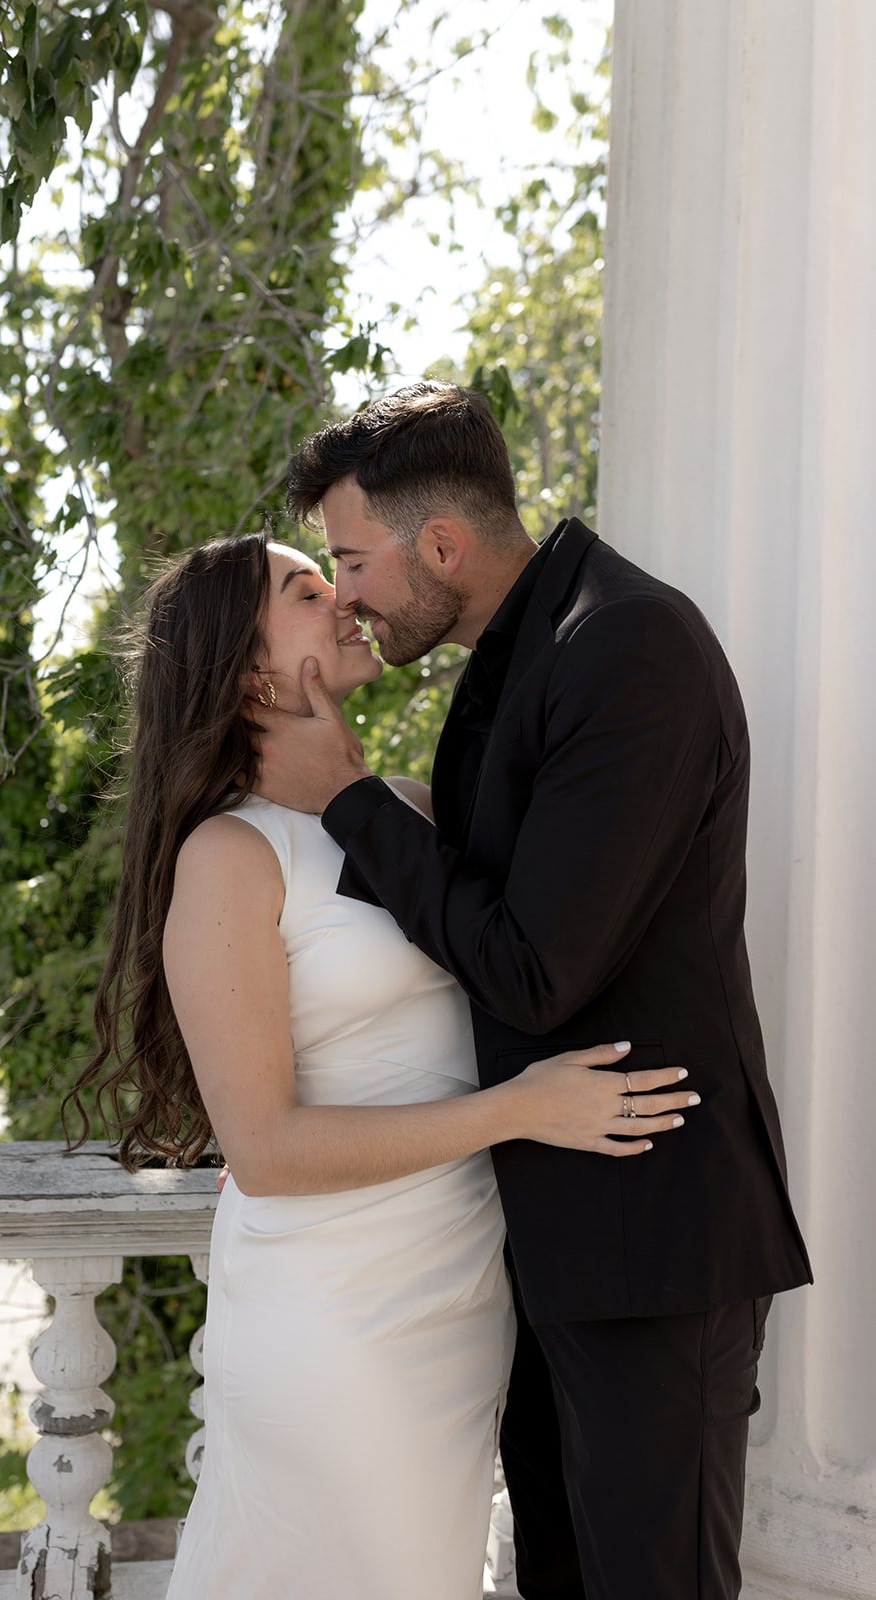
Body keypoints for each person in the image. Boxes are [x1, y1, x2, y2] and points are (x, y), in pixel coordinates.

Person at [253, 382, 813, 1600]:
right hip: (548, 1249)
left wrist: (348, 798)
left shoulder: (626, 646)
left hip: (649, 1240)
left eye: (349, 561)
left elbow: (534, 967)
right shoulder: (517, 662)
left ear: (439, 546)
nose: (341, 592)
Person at [66, 530, 696, 1600]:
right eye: (307, 590)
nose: (343, 597)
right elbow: (263, 1149)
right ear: (250, 668)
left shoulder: (406, 807)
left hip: (454, 1303)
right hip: (334, 1319)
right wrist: (517, 1111)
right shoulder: (230, 856)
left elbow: (532, 952)